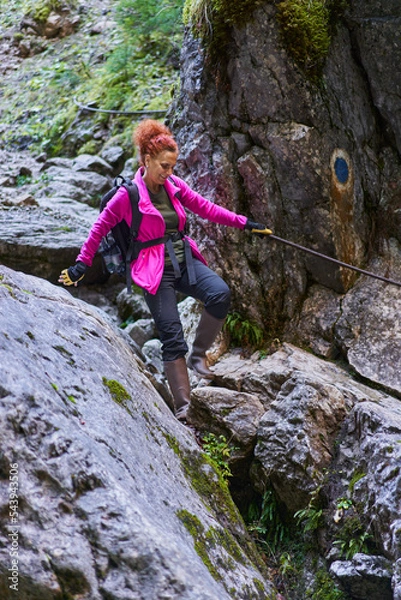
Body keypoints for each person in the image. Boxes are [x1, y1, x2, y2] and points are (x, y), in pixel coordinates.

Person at [59, 119, 266, 422]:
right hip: (154, 272)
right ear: (146, 161)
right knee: (172, 337)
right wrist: (81, 264)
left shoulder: (174, 185)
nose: (170, 173)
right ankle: (184, 410)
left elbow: (206, 207)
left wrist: (245, 223)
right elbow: (99, 227)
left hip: (185, 262)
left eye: (172, 167)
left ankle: (198, 356)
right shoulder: (127, 196)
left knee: (220, 293)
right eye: (164, 166)